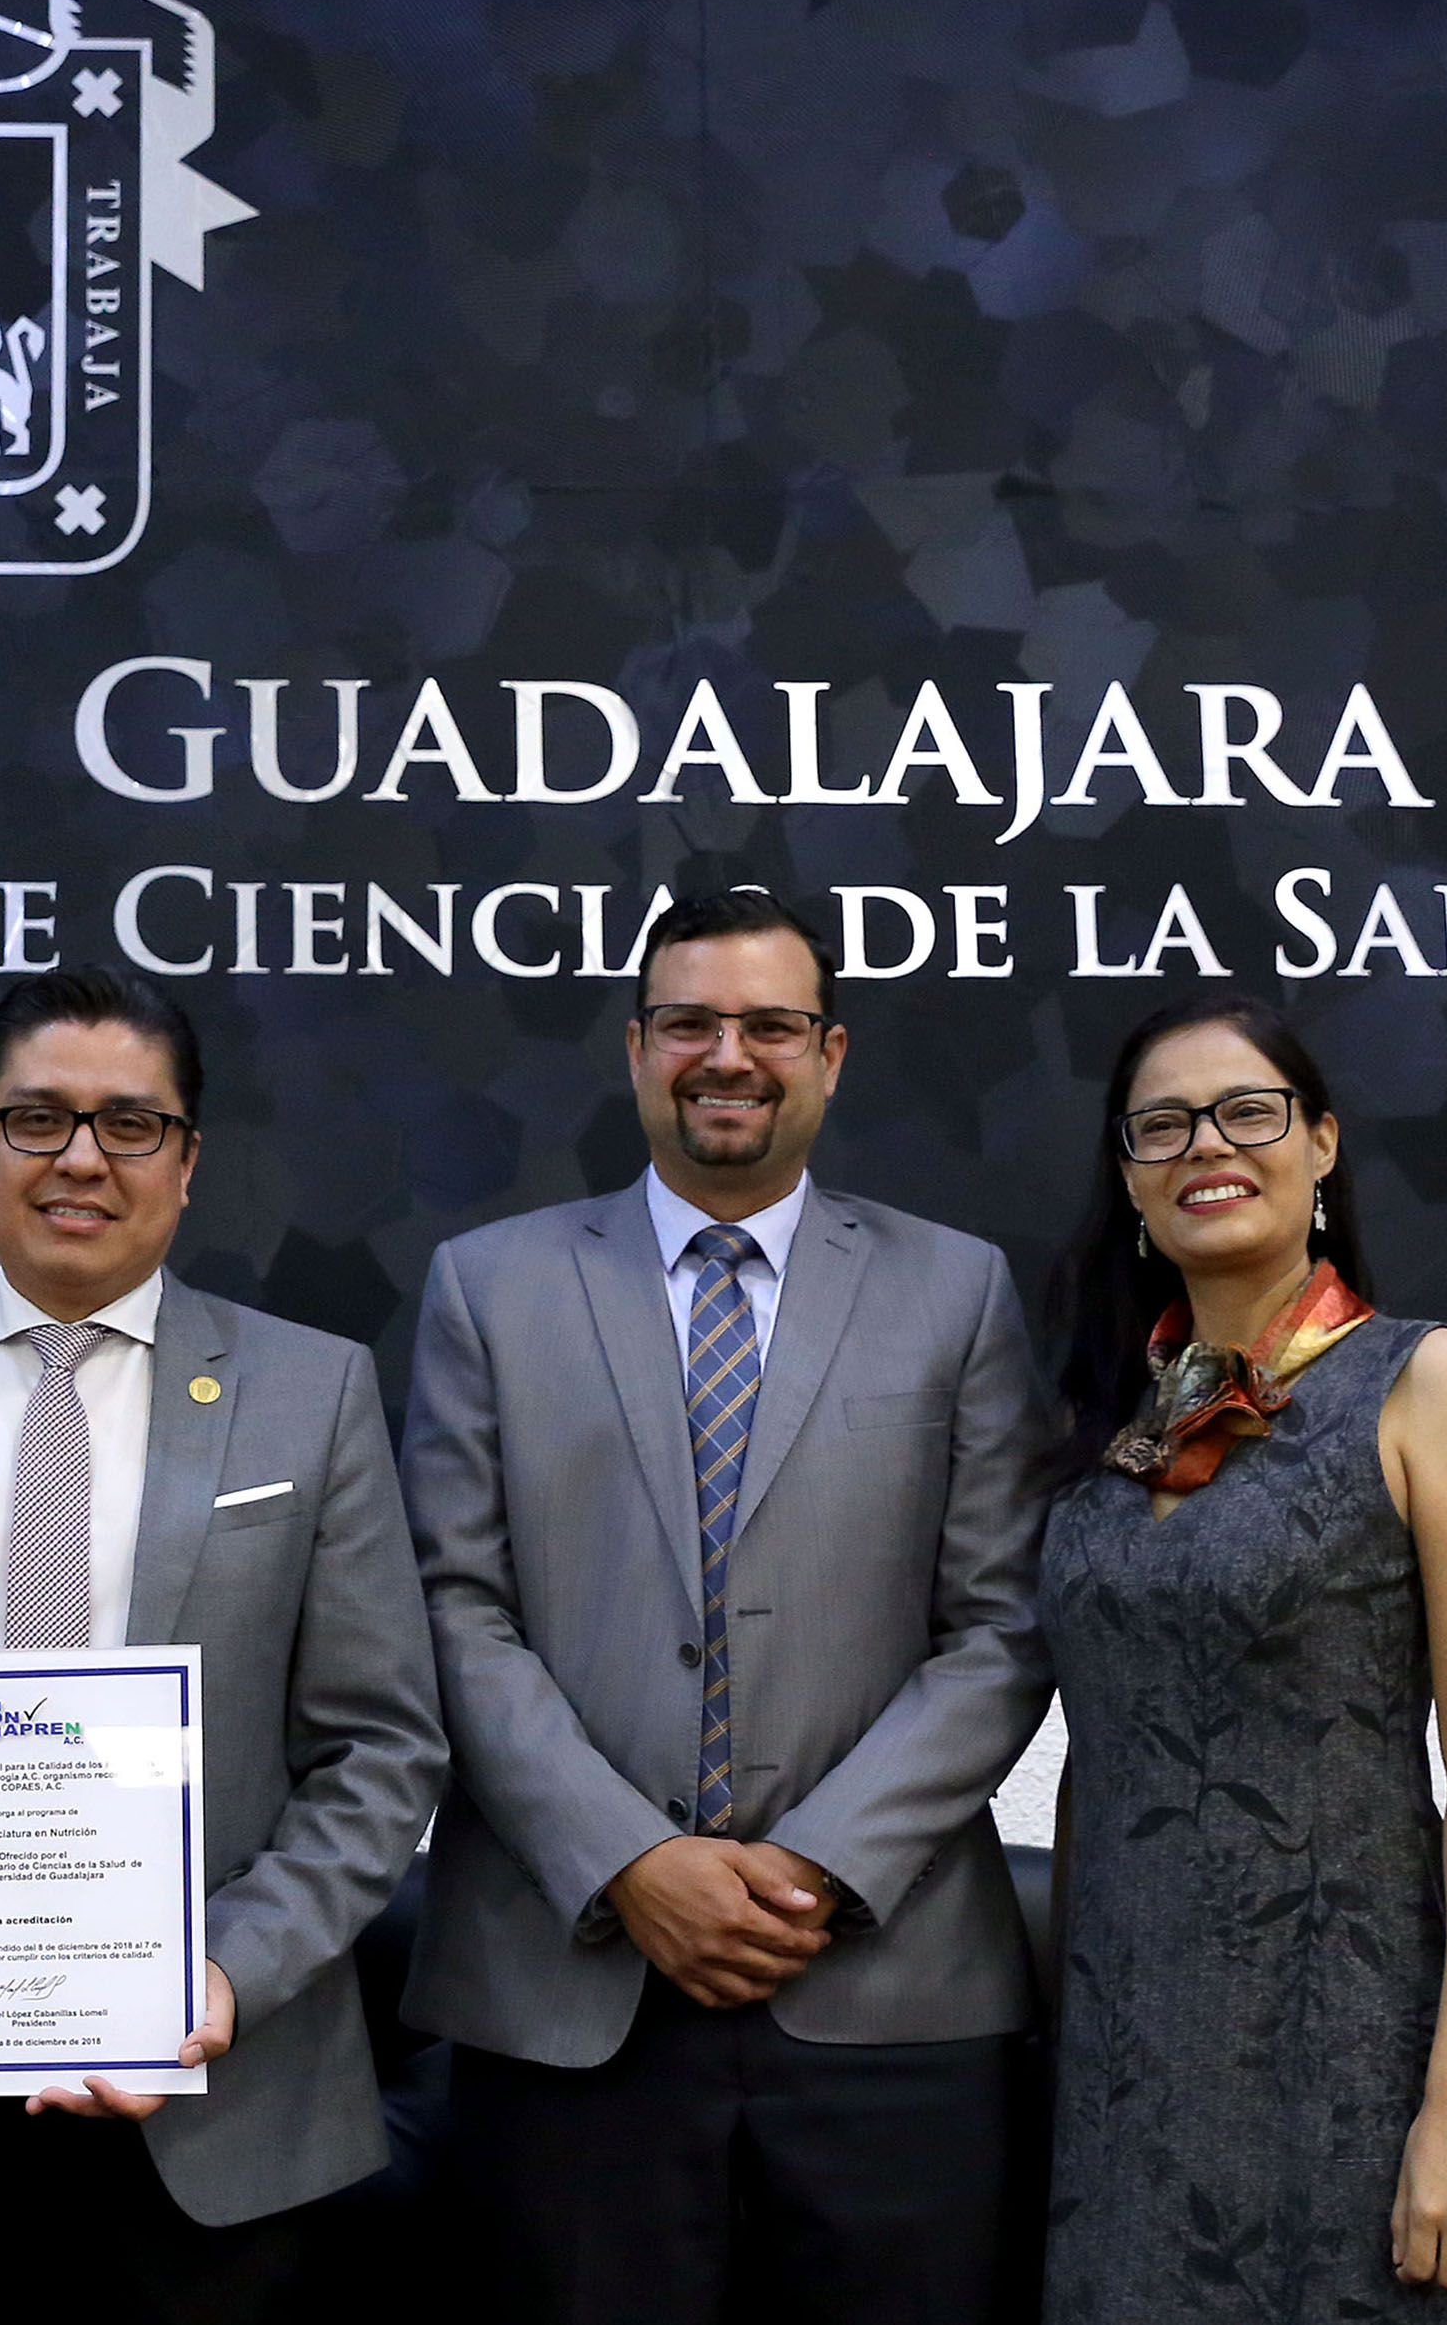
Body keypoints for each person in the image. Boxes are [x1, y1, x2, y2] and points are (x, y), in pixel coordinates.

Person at [0, 967, 446, 2325]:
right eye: (36, 1118)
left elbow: (379, 1746)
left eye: (129, 1122)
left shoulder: (311, 1392)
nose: (79, 1157)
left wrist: (225, 1964)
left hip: (219, 2105)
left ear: (186, 1160)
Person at [398, 886, 1054, 2325]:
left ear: (830, 1052)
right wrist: (631, 1859)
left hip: (888, 1989)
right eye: (689, 1022)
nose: (727, 1055)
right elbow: (451, 1608)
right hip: (567, 1992)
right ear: (636, 1048)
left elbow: (1002, 1627)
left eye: (769, 1024)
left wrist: (812, 1864)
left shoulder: (956, 1290)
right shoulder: (486, 1287)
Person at [1037, 991, 1447, 2321]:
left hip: (1357, 2050)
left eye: (1247, 1111)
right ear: (1128, 1174)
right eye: (1162, 1124)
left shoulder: (1426, 1382)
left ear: (1322, 1143)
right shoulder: (1111, 1422)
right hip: (1126, 2074)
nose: (1204, 1144)